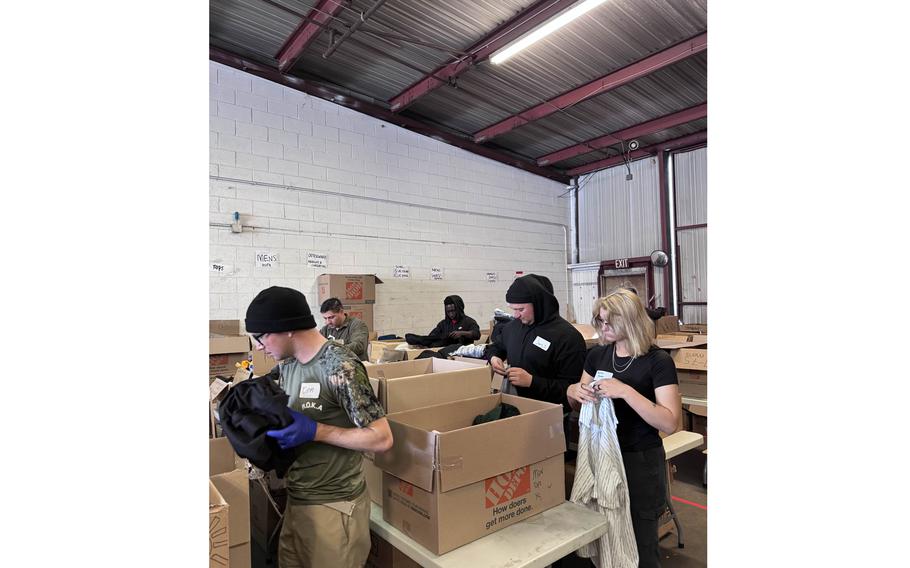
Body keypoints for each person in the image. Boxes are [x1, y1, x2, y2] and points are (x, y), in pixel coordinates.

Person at [245, 286, 393, 568]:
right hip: (298, 502)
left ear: (287, 328)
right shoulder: (288, 364)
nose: (258, 346)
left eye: (261, 336)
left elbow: (382, 439)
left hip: (334, 508)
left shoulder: (339, 365)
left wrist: (317, 431)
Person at [566, 288, 682, 568]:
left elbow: (669, 422)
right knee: (605, 536)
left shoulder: (658, 362)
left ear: (630, 321)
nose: (603, 328)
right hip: (600, 456)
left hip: (639, 461)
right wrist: (574, 392)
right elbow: (577, 404)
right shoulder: (597, 357)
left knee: (641, 543)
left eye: (609, 323)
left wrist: (626, 392)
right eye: (600, 321)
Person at [486, 274, 587, 410]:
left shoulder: (567, 337)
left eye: (521, 309)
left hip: (551, 414)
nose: (516, 315)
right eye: (513, 309)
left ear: (539, 304)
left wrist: (532, 382)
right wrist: (494, 357)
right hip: (515, 408)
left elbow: (573, 388)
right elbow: (496, 347)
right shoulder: (512, 328)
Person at [404, 295, 480, 348]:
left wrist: (462, 333)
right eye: (448, 312)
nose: (451, 314)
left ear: (459, 309)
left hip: (461, 350)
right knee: (429, 340)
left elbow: (477, 334)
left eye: (453, 311)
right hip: (442, 349)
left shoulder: (469, 321)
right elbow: (432, 336)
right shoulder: (443, 323)